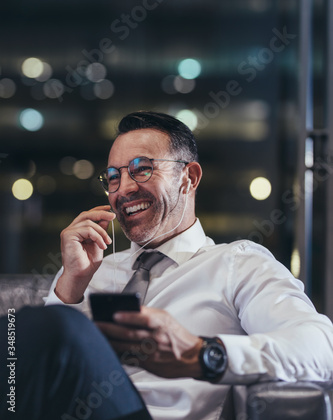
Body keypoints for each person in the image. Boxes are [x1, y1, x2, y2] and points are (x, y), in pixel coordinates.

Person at [1, 111, 333, 420]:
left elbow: (320, 348)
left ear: (188, 177)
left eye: (141, 169)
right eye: (113, 177)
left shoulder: (237, 263)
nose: (124, 189)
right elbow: (25, 376)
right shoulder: (90, 269)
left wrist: (201, 353)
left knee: (56, 328)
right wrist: (70, 285)